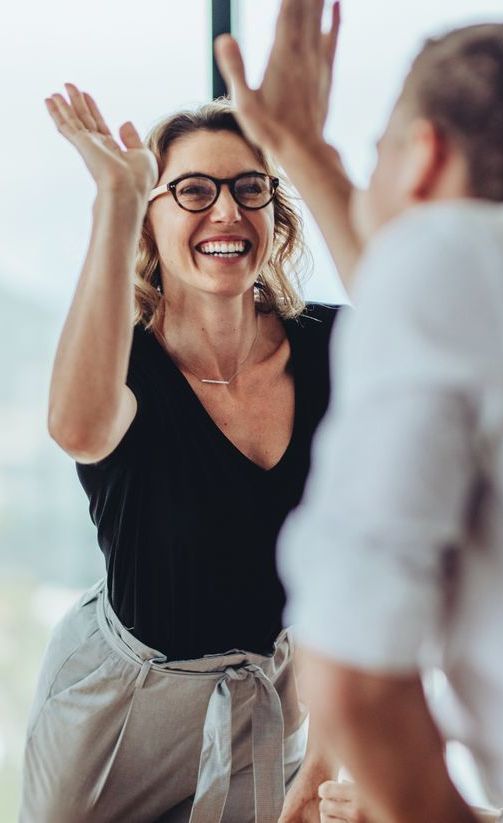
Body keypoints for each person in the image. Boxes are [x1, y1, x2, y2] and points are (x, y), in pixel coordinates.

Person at [216, 4, 503, 822]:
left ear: (425, 156)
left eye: (375, 157)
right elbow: (422, 288)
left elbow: (351, 667)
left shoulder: (453, 259)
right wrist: (304, 148)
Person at [20, 85, 343, 822]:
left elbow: (364, 562)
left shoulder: (334, 348)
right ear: (149, 219)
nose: (225, 211)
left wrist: (325, 756)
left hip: (267, 701)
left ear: (272, 213)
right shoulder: (121, 366)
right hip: (117, 713)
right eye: (193, 190)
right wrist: (116, 196)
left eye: (247, 188)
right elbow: (77, 429)